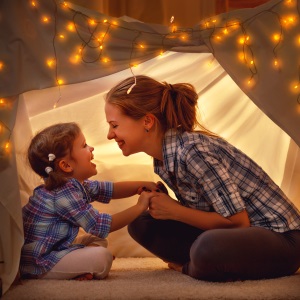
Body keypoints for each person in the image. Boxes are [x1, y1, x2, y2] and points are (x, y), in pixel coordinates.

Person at [104, 74, 300, 282]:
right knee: (140, 223)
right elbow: (206, 211)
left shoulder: (193, 151)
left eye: (114, 125)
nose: (109, 135)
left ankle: (193, 267)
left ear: (147, 121)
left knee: (207, 247)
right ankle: (204, 262)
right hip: (237, 237)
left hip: (282, 240)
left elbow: (238, 223)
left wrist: (176, 211)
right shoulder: (162, 160)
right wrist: (166, 207)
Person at [20, 122, 159, 281]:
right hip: (40, 261)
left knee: (97, 240)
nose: (91, 148)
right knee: (102, 257)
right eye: (84, 145)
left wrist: (141, 185)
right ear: (65, 165)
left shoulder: (73, 185)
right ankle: (83, 266)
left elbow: (110, 189)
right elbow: (100, 225)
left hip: (55, 248)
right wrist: (140, 206)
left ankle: (81, 267)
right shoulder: (62, 194)